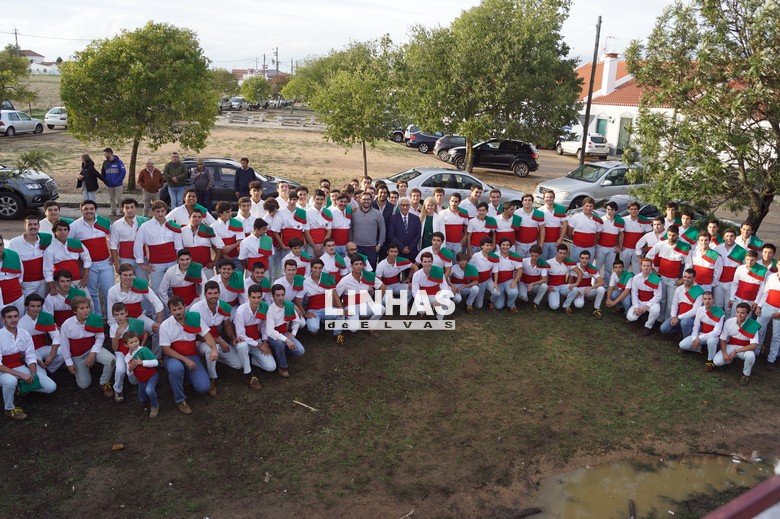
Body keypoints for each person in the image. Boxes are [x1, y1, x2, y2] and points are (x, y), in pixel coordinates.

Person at [192, 281, 262, 393]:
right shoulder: (196, 308)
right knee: (211, 349)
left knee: (238, 364)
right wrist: (220, 341)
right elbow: (196, 335)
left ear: (219, 293)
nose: (213, 296)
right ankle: (212, 378)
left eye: (215, 293)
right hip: (201, 341)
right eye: (210, 293)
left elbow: (227, 325)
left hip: (217, 338)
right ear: (205, 294)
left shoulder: (224, 306)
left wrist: (233, 338)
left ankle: (212, 359)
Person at [159, 296, 219, 414]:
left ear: (185, 307)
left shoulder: (194, 318)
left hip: (192, 355)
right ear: (170, 311)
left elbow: (207, 335)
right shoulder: (165, 325)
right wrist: (185, 360)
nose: (178, 312)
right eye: (174, 310)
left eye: (180, 308)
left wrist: (214, 349)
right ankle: (180, 399)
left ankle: (187, 377)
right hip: (174, 357)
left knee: (203, 387)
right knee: (175, 369)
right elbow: (166, 350)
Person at [0, 305, 57, 421]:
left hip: (19, 366)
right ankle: (9, 409)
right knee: (10, 381)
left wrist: (33, 375)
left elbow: (30, 356)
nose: (13, 320)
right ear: (3, 319)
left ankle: (20, 388)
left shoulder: (24, 334)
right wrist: (21, 375)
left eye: (15, 316)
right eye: (9, 317)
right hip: (3, 370)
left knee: (51, 387)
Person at [60, 296, 115, 394]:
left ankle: (104, 382)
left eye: (87, 307)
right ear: (75, 311)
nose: (86, 311)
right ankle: (83, 369)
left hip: (92, 350)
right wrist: (69, 363)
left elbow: (100, 337)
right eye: (82, 308)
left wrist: (92, 354)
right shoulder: (67, 324)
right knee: (84, 385)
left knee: (111, 360)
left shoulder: (95, 319)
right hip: (78, 356)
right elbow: (64, 345)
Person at [68, 200, 113, 315]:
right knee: (92, 294)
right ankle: (97, 317)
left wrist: (113, 255)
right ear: (81, 210)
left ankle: (110, 317)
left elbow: (113, 239)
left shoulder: (104, 222)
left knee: (109, 292)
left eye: (91, 209)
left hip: (106, 263)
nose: (89, 211)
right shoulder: (74, 226)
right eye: (86, 209)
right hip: (88, 266)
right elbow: (68, 244)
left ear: (95, 210)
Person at [105, 264, 164, 345]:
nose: (128, 278)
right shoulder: (113, 291)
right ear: (120, 275)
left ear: (134, 275)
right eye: (125, 275)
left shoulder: (140, 285)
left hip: (139, 318)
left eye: (130, 275)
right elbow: (111, 314)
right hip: (122, 321)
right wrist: (115, 328)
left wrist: (158, 322)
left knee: (159, 330)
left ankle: (154, 352)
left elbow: (157, 303)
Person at [134, 201, 184, 294]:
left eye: (162, 211)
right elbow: (138, 245)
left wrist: (181, 261)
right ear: (153, 212)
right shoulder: (145, 226)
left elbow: (178, 246)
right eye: (158, 211)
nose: (160, 214)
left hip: (172, 262)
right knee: (157, 290)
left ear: (166, 211)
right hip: (156, 264)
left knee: (174, 289)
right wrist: (141, 263)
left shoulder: (173, 225)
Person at [709, 302, 759, 385]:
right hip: (731, 345)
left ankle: (746, 375)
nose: (739, 315)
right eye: (738, 312)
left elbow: (754, 345)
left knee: (750, 356)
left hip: (744, 348)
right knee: (717, 362)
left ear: (747, 314)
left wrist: (736, 351)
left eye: (742, 313)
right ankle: (730, 360)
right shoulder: (729, 321)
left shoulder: (752, 324)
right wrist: (724, 354)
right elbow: (722, 339)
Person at [645, 225, 688, 321]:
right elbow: (648, 256)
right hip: (661, 277)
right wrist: (653, 270)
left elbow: (688, 264)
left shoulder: (683, 247)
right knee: (661, 299)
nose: (671, 237)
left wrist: (683, 279)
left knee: (671, 302)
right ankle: (659, 320)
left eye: (673, 235)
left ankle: (667, 321)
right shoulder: (661, 244)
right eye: (669, 235)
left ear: (678, 234)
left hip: (674, 279)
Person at [335, 255, 385, 335]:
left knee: (381, 308)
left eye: (361, 264)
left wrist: (377, 301)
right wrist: (341, 308)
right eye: (356, 264)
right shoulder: (345, 280)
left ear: (363, 265)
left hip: (364, 304)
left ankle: (369, 326)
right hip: (351, 307)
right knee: (354, 329)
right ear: (351, 266)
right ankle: (347, 319)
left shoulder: (368, 276)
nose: (359, 266)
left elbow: (382, 286)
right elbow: (335, 294)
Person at [108, 302, 147, 402]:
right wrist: (117, 335)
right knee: (120, 370)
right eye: (116, 315)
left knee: (134, 381)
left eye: (122, 314)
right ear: (113, 316)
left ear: (126, 313)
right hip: (121, 352)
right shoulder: (113, 327)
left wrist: (141, 346)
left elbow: (145, 334)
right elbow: (115, 348)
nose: (119, 317)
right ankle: (118, 389)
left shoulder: (134, 323)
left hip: (133, 351)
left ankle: (132, 373)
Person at [297, 259, 344, 341]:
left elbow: (334, 292)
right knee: (313, 328)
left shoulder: (327, 277)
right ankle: (317, 323)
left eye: (320, 268)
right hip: (313, 310)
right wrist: (304, 313)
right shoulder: (306, 282)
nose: (317, 270)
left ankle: (337, 333)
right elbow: (297, 299)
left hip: (327, 308)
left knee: (341, 314)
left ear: (322, 268)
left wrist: (340, 306)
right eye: (315, 268)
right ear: (311, 268)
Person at [265, 284, 305, 377]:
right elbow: (270, 331)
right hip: (272, 336)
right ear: (272, 296)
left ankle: (279, 352)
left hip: (285, 332)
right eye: (278, 295)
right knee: (279, 343)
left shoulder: (288, 305)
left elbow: (296, 320)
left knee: (300, 350)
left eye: (282, 295)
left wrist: (293, 333)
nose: (281, 298)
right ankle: (282, 366)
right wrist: (286, 340)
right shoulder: (270, 310)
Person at [43, 219, 91, 294]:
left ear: (68, 231)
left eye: (65, 229)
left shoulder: (76, 243)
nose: (63, 232)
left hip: (78, 281)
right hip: (61, 283)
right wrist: (52, 287)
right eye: (59, 230)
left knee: (87, 300)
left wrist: (85, 276)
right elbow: (47, 270)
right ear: (54, 232)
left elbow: (87, 258)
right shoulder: (50, 249)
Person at [20, 294, 63, 374]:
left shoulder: (45, 317)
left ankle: (51, 368)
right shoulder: (21, 323)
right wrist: (37, 360)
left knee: (64, 351)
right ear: (27, 306)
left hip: (44, 347)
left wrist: (52, 355)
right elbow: (22, 347)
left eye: (38, 306)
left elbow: (56, 336)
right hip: (32, 351)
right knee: (42, 375)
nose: (36, 309)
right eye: (32, 306)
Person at [123, 331, 160, 418]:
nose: (134, 344)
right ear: (126, 345)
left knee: (149, 390)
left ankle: (155, 406)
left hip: (151, 375)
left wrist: (142, 362)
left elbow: (156, 362)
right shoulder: (127, 357)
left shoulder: (144, 350)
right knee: (142, 399)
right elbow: (129, 373)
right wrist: (130, 369)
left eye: (136, 341)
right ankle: (150, 394)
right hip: (141, 379)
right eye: (131, 342)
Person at [109, 198, 148, 281]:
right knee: (126, 283)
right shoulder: (116, 225)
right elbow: (113, 245)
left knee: (143, 283)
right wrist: (116, 264)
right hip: (125, 260)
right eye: (127, 208)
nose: (129, 210)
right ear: (122, 209)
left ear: (135, 208)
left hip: (142, 259)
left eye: (132, 207)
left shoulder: (143, 222)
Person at [9, 216, 47, 298]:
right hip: (26, 285)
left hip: (43, 283)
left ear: (39, 226)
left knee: (41, 304)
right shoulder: (14, 243)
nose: (33, 227)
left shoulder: (45, 240)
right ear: (24, 226)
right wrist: (16, 282)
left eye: (35, 224)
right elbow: (10, 264)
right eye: (30, 224)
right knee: (26, 304)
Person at [679, 291, 724, 361]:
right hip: (701, 334)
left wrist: (699, 338)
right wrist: (694, 339)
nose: (707, 301)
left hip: (713, 336)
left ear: (713, 300)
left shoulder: (720, 312)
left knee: (711, 341)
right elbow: (696, 326)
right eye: (705, 299)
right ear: (702, 300)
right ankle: (700, 348)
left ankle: (710, 360)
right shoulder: (700, 310)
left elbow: (717, 332)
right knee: (682, 345)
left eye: (709, 299)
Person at [181, 209, 224, 281]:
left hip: (206, 268)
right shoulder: (182, 231)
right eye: (194, 216)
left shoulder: (208, 230)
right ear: (189, 217)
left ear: (202, 218)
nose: (197, 219)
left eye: (199, 217)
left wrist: (214, 262)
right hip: (188, 268)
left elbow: (220, 245)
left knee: (209, 287)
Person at [562, 250, 606, 318]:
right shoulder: (575, 267)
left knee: (601, 289)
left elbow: (602, 282)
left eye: (586, 258)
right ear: (579, 258)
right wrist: (575, 291)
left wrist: (591, 288)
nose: (584, 260)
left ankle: (596, 309)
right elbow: (569, 282)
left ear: (589, 259)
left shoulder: (591, 268)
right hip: (578, 289)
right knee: (579, 305)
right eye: (582, 258)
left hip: (588, 289)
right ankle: (572, 299)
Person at [659, 268, 701, 338]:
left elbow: (695, 310)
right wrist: (673, 317)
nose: (686, 279)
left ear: (694, 278)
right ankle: (680, 331)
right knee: (663, 329)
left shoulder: (699, 291)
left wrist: (678, 318)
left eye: (689, 278)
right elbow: (674, 304)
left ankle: (686, 339)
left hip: (691, 318)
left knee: (684, 323)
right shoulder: (679, 289)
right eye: (685, 277)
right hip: (679, 316)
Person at [626, 258, 662, 335]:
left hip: (651, 302)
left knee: (656, 310)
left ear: (651, 267)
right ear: (641, 266)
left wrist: (647, 305)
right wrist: (636, 306)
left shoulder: (656, 279)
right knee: (630, 317)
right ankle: (638, 317)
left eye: (648, 266)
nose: (646, 268)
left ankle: (648, 326)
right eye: (644, 265)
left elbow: (658, 296)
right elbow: (634, 293)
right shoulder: (636, 278)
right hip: (640, 301)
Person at [411, 253, 451, 320]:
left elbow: (444, 287)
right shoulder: (416, 275)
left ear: (432, 262)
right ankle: (423, 314)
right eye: (425, 262)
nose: (427, 264)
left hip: (434, 295)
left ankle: (438, 320)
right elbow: (415, 292)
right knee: (421, 310)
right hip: (422, 296)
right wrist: (422, 301)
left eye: (429, 261)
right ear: (421, 262)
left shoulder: (438, 271)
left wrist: (439, 299)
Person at [351, 192, 385, 268]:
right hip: (357, 247)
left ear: (371, 200)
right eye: (364, 199)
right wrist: (351, 243)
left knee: (371, 270)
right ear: (360, 200)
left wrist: (379, 245)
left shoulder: (377, 213)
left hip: (371, 248)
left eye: (368, 199)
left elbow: (383, 229)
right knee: (357, 269)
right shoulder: (354, 213)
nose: (366, 201)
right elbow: (351, 229)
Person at [729, 250, 766, 317]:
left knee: (746, 318)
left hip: (750, 300)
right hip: (737, 297)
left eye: (752, 260)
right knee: (734, 316)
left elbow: (762, 288)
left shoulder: (762, 271)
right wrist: (731, 298)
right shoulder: (740, 268)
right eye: (747, 259)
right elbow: (735, 284)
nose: (749, 262)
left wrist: (756, 301)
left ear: (756, 260)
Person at [756, 268, 780, 369]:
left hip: (779, 310)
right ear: (777, 265)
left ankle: (771, 359)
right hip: (767, 306)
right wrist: (759, 306)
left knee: (776, 336)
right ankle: (755, 352)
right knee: (758, 329)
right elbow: (765, 292)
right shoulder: (771, 276)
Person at [490, 238, 522, 312]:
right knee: (499, 306)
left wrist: (515, 281)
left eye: (507, 245)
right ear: (500, 246)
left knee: (514, 292)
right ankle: (491, 301)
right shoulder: (495, 255)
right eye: (503, 245)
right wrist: (494, 282)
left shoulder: (514, 256)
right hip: (498, 282)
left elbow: (520, 269)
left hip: (509, 281)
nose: (505, 247)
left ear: (510, 246)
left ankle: (511, 305)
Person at [212, 201, 245, 272]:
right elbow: (214, 245)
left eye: (230, 211)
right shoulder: (213, 227)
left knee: (238, 277)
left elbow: (241, 240)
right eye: (227, 212)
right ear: (220, 214)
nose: (230, 214)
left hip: (236, 258)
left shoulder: (237, 223)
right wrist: (225, 256)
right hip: (221, 259)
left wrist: (230, 247)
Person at [714, 228, 743, 308]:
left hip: (732, 282)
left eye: (731, 236)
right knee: (718, 306)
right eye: (727, 236)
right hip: (718, 282)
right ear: (723, 237)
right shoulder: (717, 248)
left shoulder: (741, 251)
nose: (729, 238)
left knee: (729, 307)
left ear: (735, 237)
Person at [595, 201, 623, 279]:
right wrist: (594, 248)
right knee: (596, 268)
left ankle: (607, 285)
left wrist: (620, 247)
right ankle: (595, 285)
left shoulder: (619, 221)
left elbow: (621, 234)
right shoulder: (601, 220)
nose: (609, 211)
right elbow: (596, 235)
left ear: (615, 211)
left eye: (612, 209)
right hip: (600, 247)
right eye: (608, 209)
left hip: (612, 249)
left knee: (608, 270)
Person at [468, 236, 497, 310]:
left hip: (488, 279)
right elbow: (469, 267)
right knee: (478, 306)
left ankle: (490, 301)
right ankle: (473, 298)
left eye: (490, 245)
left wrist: (495, 283)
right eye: (487, 245)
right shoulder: (476, 256)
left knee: (497, 292)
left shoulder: (494, 257)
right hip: (479, 281)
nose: (489, 247)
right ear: (482, 246)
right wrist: (473, 280)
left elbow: (495, 271)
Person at [621, 202, 651, 273]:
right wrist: (620, 246)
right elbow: (619, 233)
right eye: (631, 209)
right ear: (628, 210)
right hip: (626, 248)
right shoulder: (623, 220)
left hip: (638, 249)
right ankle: (623, 281)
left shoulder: (644, 220)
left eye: (635, 209)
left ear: (638, 210)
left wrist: (646, 248)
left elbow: (649, 235)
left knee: (637, 270)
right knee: (623, 269)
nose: (633, 211)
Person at [389, 198, 422, 262]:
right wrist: (402, 248)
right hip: (398, 251)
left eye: (407, 205)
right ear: (399, 206)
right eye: (402, 205)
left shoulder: (416, 219)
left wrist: (410, 248)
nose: (405, 207)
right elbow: (391, 236)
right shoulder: (393, 218)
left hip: (412, 251)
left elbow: (418, 235)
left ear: (409, 206)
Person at [539, 190, 568, 260]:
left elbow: (565, 224)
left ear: (554, 198)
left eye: (551, 197)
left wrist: (561, 239)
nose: (549, 199)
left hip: (556, 242)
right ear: (544, 198)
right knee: (542, 262)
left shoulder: (560, 209)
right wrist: (540, 243)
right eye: (547, 197)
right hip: (544, 242)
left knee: (553, 262)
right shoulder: (540, 211)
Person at [0, 239, 25, 316]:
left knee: (19, 320)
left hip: (17, 298)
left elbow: (21, 274)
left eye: (0, 245)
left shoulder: (13, 255)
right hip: (1, 302)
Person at [306, 190, 333, 257]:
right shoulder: (307, 212)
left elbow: (329, 231)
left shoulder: (327, 212)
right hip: (311, 245)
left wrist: (322, 246)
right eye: (317, 199)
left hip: (324, 244)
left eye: (321, 199)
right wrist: (315, 247)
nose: (319, 201)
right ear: (313, 199)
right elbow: (306, 232)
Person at [101, 147, 126, 217]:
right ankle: (113, 211)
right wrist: (105, 181)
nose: (104, 155)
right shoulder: (105, 163)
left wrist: (119, 180)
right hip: (109, 184)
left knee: (119, 198)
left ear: (109, 153)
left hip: (118, 184)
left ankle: (122, 211)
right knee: (111, 198)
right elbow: (103, 173)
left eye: (105, 153)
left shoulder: (118, 162)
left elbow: (123, 172)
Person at [544, 244, 570, 311]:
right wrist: (546, 287)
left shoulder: (568, 262)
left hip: (563, 286)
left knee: (575, 290)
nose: (562, 255)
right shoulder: (549, 262)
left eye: (564, 253)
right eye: (560, 253)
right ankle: (551, 299)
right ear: (557, 252)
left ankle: (566, 305)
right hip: (553, 287)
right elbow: (542, 275)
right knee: (554, 306)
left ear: (566, 253)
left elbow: (572, 274)